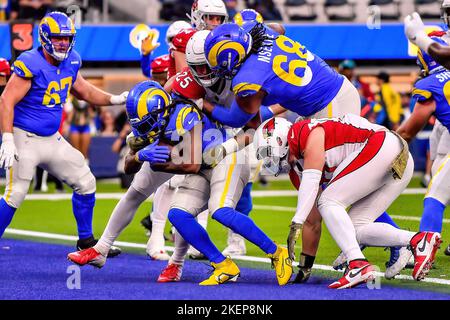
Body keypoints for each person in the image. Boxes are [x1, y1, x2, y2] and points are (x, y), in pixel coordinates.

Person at [254, 116, 441, 288]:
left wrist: (296, 222)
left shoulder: (302, 131)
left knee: (329, 201)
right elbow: (313, 221)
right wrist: (305, 266)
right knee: (353, 229)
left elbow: (313, 179)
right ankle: (418, 240)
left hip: (384, 145)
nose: (268, 160)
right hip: (394, 156)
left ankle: (357, 264)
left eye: (266, 151)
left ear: (278, 139)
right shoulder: (298, 169)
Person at [0, 12, 127, 256]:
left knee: (86, 181)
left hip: (52, 138)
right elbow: (6, 99)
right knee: (15, 194)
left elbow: (83, 90)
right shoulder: (31, 62)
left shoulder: (72, 61)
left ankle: (86, 241)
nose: (63, 43)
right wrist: (7, 138)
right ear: (45, 38)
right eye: (58, 38)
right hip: (24, 137)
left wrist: (114, 98)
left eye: (67, 39)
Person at [397, 37, 450, 256]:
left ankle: (423, 251)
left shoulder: (430, 84)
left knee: (435, 197)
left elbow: (408, 131)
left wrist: (384, 145)